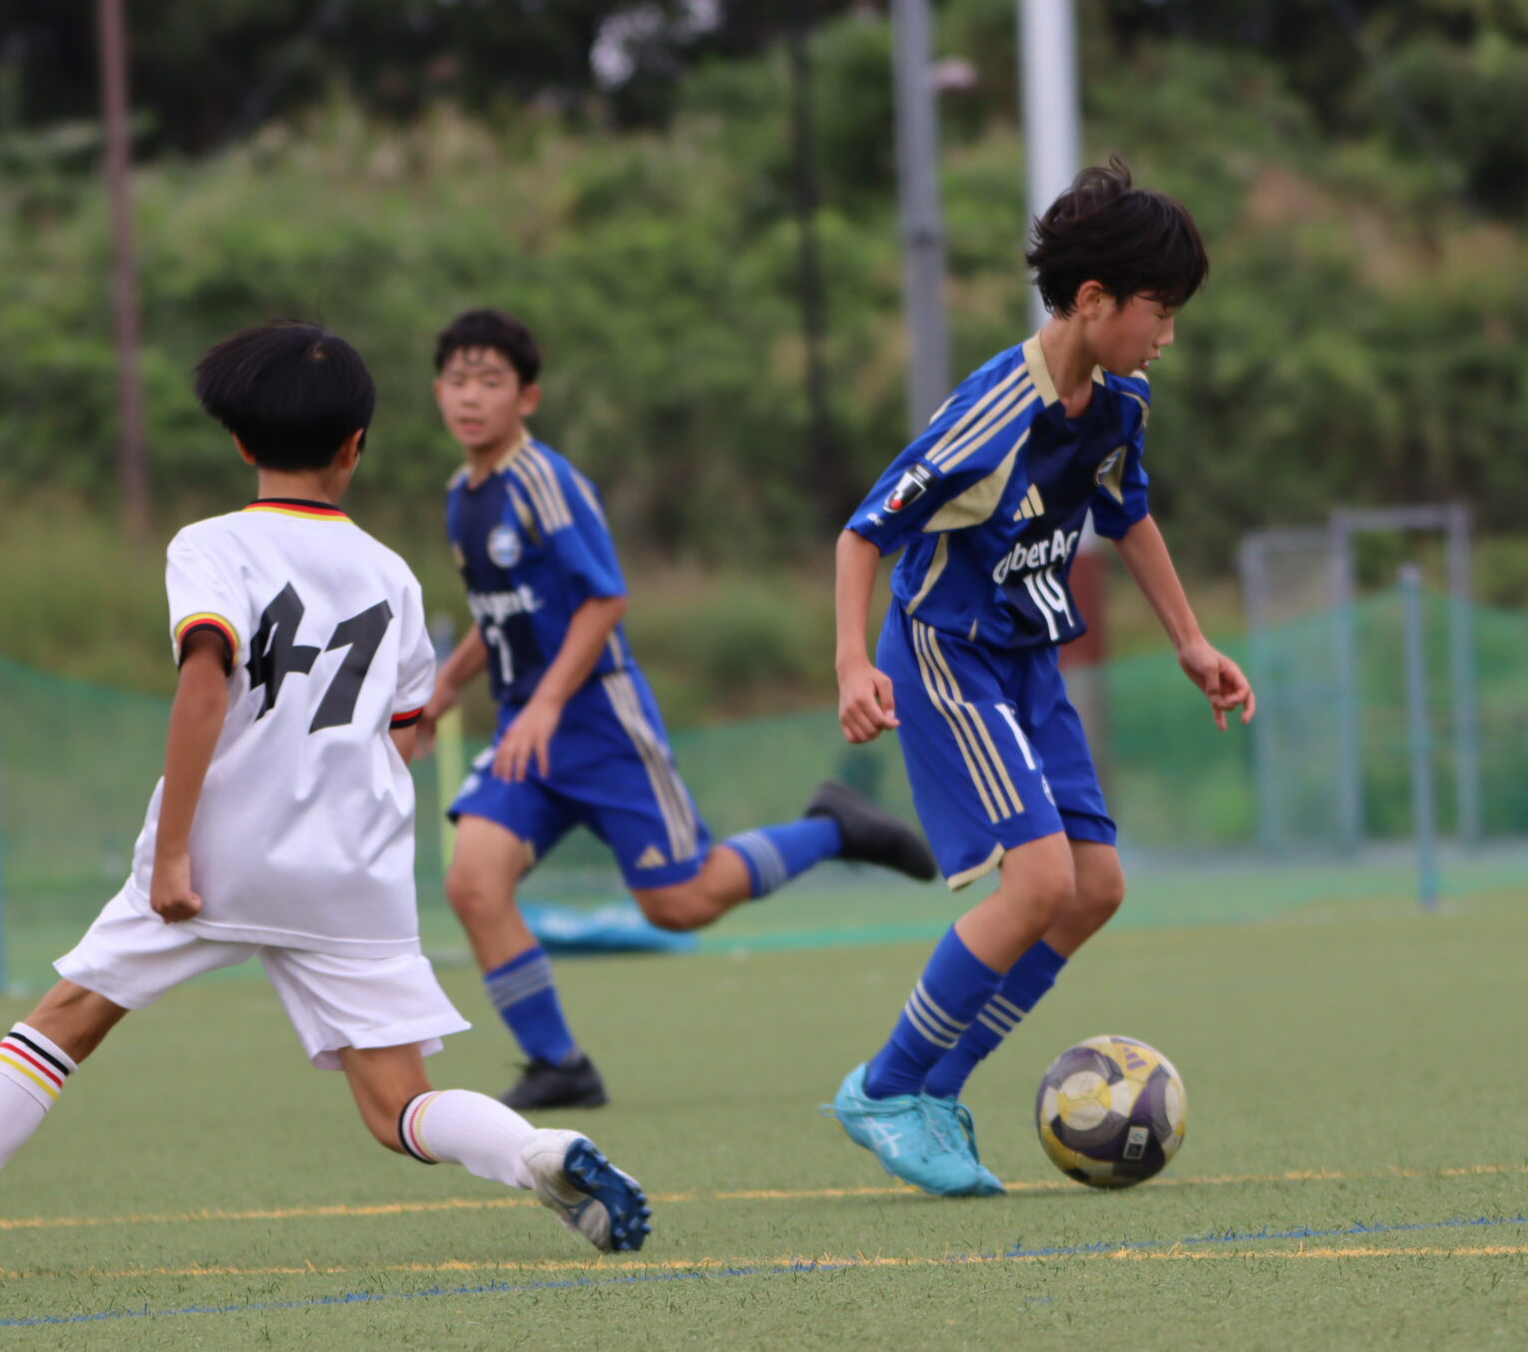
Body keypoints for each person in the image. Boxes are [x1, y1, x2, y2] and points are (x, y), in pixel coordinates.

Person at [0, 321, 649, 1286]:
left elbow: (204, 684)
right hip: (350, 870)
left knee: (63, 1020)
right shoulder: (392, 574)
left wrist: (173, 850)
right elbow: (400, 733)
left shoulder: (210, 544)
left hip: (221, 855)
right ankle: (534, 1151)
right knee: (397, 1104)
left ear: (238, 441)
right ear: (355, 445)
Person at [824, 159, 1255, 1196]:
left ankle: (936, 1087)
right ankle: (884, 1088)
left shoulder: (1118, 401)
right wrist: (849, 661)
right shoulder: (990, 414)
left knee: (1095, 887)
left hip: (1027, 657)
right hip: (945, 652)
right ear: (1094, 299)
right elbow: (862, 533)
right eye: (1159, 310)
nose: (1167, 334)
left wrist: (1191, 640)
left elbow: (1126, 514)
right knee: (1041, 881)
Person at [419, 309, 938, 1111]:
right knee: (472, 884)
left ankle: (832, 828)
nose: (470, 397)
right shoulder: (463, 497)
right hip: (530, 730)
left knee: (679, 902)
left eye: (490, 381)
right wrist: (447, 686)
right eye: (457, 381)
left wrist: (548, 703)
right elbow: (504, 616)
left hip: (599, 723)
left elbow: (604, 599)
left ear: (527, 397)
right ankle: (559, 1063)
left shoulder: (545, 482)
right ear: (437, 393)